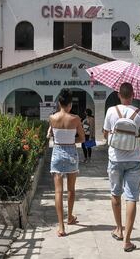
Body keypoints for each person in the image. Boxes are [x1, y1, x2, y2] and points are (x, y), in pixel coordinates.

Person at [102, 83, 140, 252]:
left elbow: (105, 134)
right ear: (133, 95)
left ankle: (119, 229)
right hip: (134, 160)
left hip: (115, 159)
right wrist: (139, 152)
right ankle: (127, 241)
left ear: (118, 94)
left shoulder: (110, 111)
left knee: (115, 194)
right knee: (131, 197)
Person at [47, 88, 85, 237]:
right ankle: (69, 217)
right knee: (71, 190)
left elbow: (51, 136)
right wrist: (71, 140)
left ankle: (61, 226)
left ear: (59, 103)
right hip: (71, 153)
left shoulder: (52, 118)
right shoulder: (75, 119)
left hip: (56, 153)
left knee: (58, 191)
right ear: (69, 104)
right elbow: (82, 138)